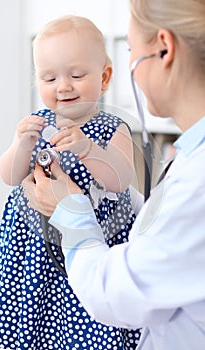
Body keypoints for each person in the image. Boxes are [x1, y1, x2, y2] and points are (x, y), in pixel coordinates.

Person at [22, 1, 205, 350]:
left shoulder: (198, 181)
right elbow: (165, 236)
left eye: (133, 50)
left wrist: (70, 208)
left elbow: (113, 294)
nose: (64, 87)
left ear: (164, 49)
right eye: (49, 77)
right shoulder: (191, 158)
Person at [0, 15, 141, 350]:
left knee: (88, 320)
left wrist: (89, 149)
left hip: (92, 242)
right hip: (32, 247)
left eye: (76, 75)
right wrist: (21, 144)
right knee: (35, 323)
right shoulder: (35, 124)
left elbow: (120, 179)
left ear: (105, 77)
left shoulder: (113, 127)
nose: (63, 86)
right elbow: (9, 176)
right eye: (49, 77)